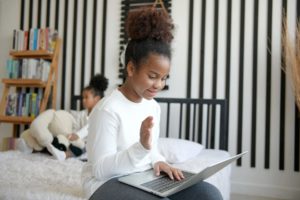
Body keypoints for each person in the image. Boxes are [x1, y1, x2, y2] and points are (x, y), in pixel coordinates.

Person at [81, 7, 223, 200]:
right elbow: (100, 170)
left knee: (209, 194)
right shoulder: (107, 109)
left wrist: (159, 161)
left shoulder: (153, 107)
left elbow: (152, 151)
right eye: (153, 76)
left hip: (142, 176)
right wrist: (141, 148)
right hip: (105, 183)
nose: (159, 85)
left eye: (164, 78)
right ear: (131, 68)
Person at [46, 74, 109, 160]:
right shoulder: (82, 114)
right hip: (81, 141)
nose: (83, 100)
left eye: (86, 97)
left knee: (83, 147)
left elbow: (90, 127)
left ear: (97, 99)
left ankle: (65, 154)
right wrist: (71, 135)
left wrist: (78, 135)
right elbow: (76, 126)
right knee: (66, 140)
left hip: (94, 143)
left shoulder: (101, 113)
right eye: (83, 97)